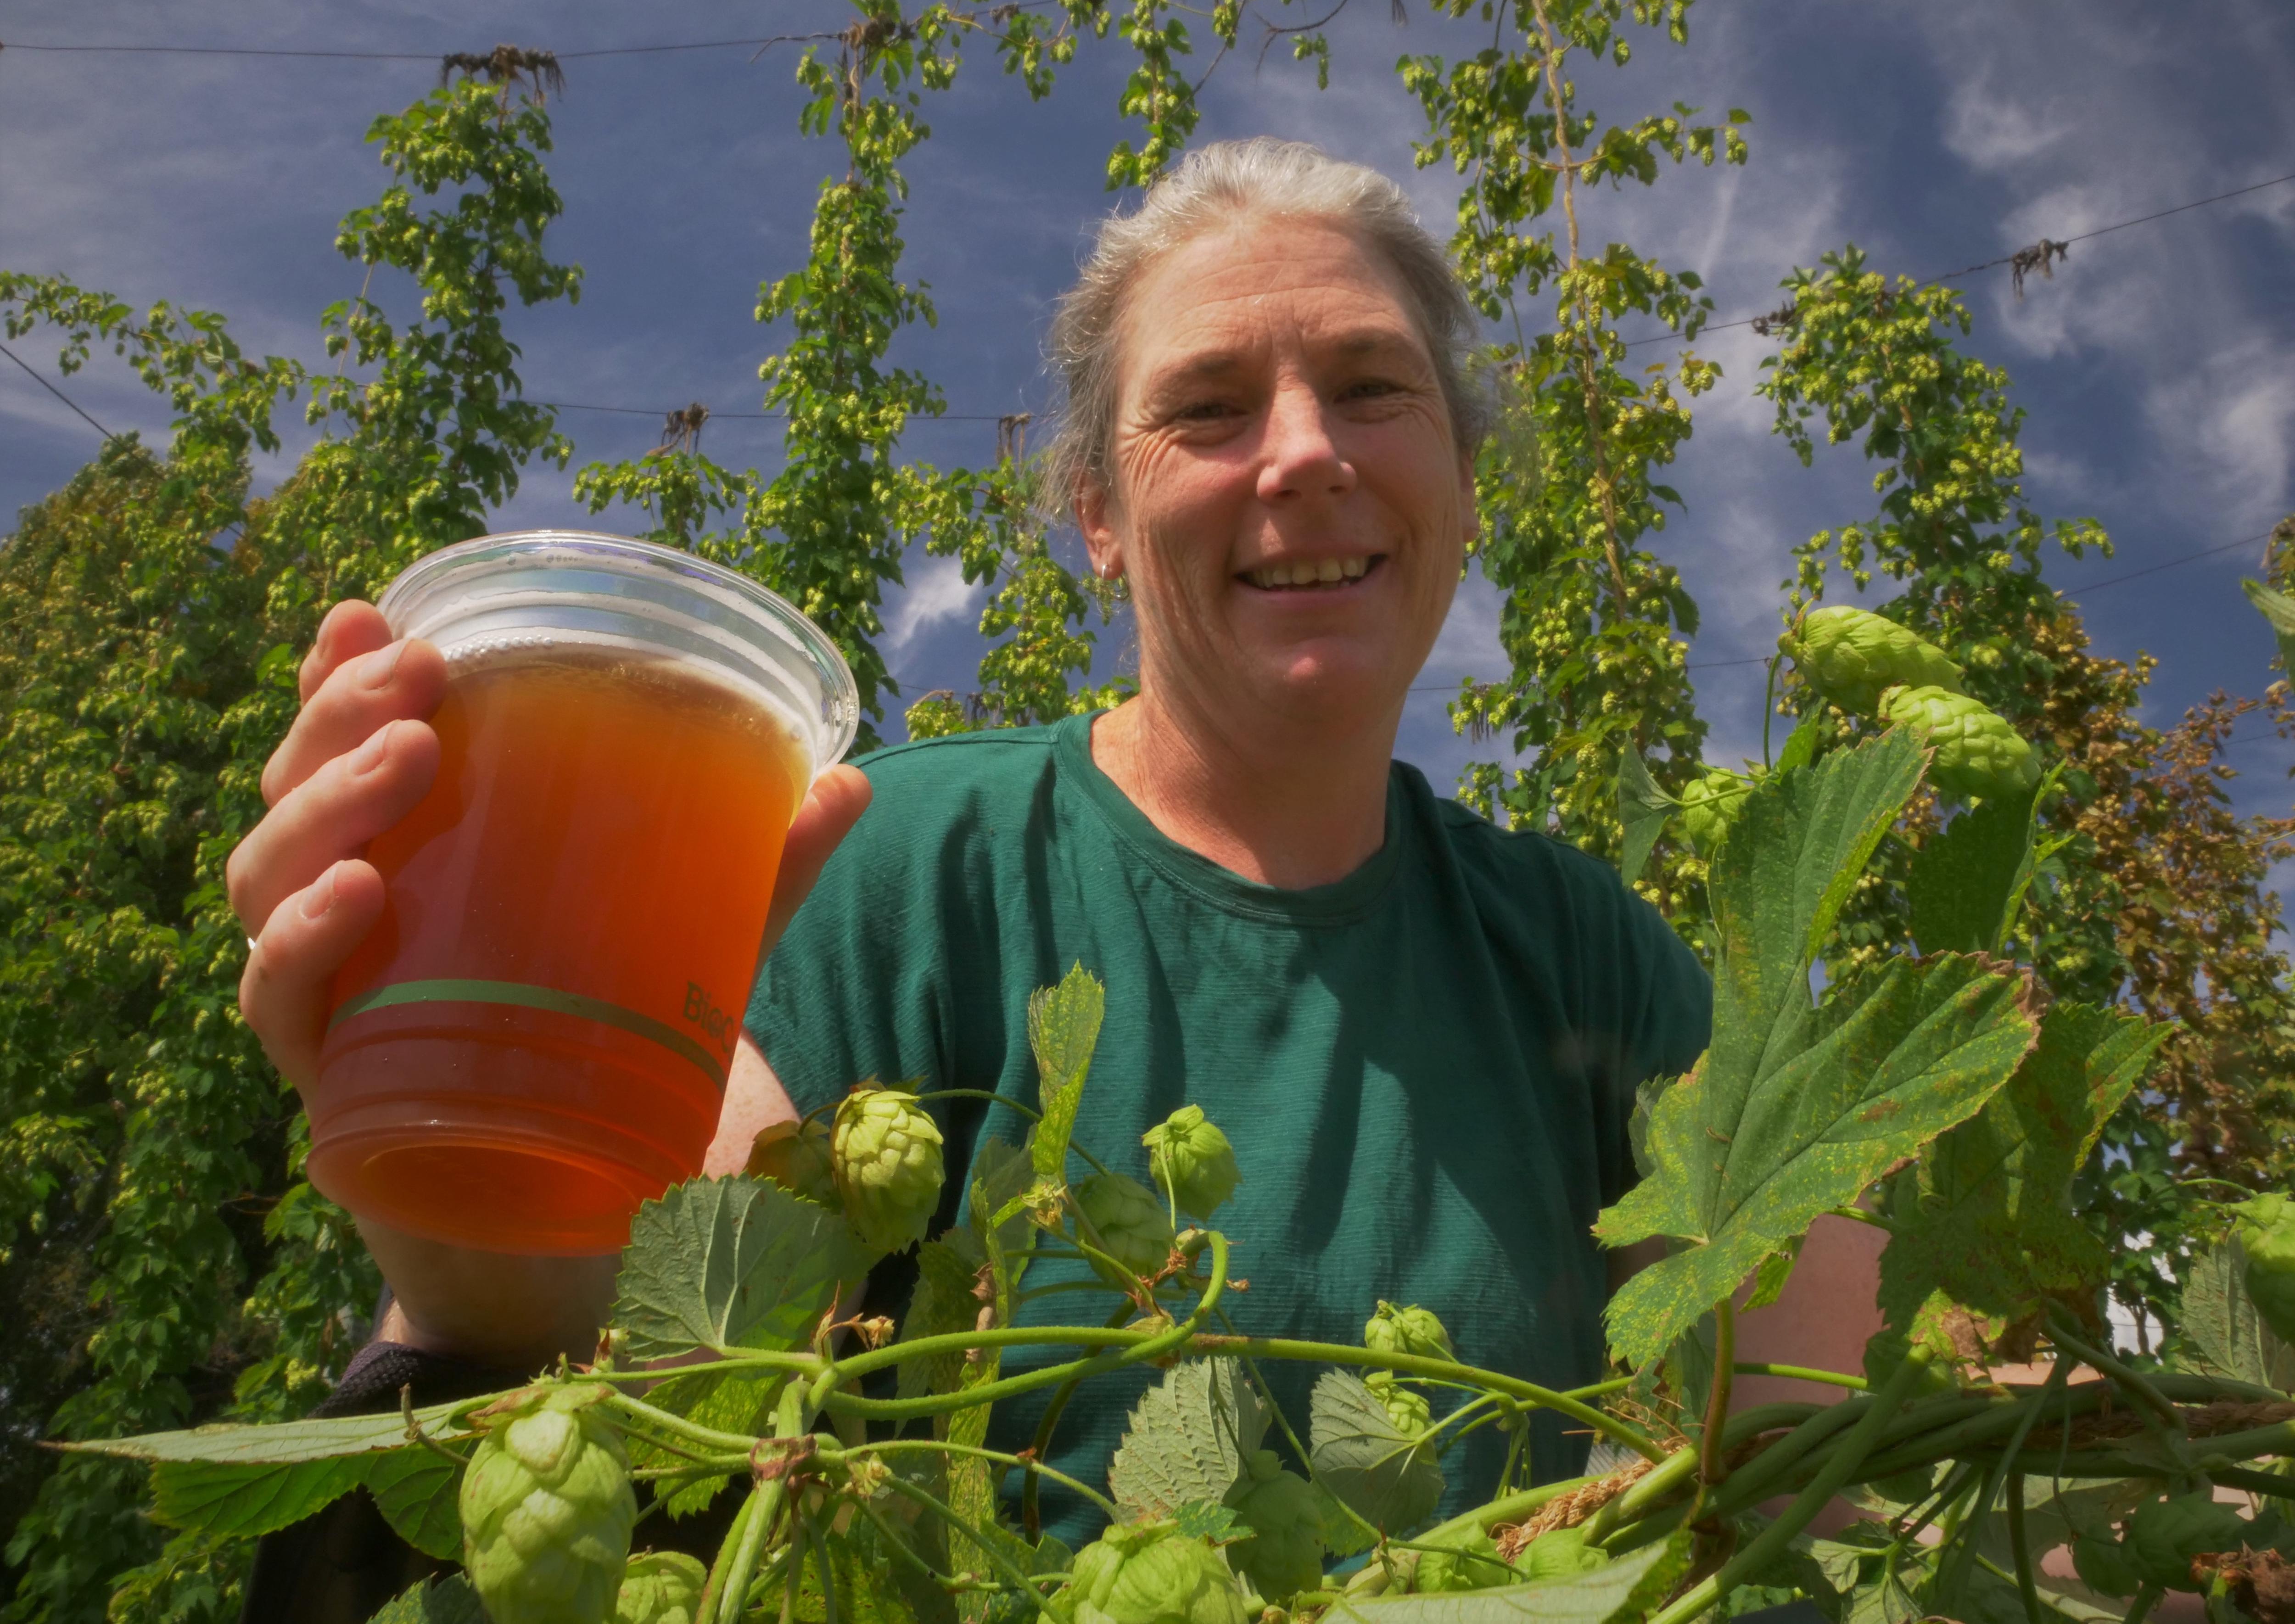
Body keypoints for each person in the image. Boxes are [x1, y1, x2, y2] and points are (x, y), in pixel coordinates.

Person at [229, 138, 1881, 1611]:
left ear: (1457, 478)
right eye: (1211, 407)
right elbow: (646, 1340)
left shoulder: (1589, 952)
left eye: (1377, 388)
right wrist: (481, 1277)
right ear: (1096, 513)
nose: (1304, 452)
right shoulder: (904, 864)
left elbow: (1860, 1447)